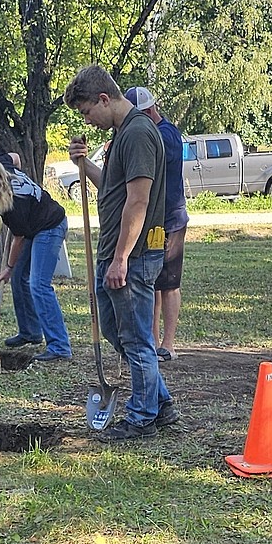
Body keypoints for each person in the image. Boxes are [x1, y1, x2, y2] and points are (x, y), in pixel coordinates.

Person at [64, 65, 174, 437]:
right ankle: (161, 401)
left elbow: (138, 201)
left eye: (86, 112)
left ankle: (142, 418)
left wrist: (122, 258)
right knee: (117, 330)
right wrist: (83, 164)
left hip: (134, 255)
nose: (87, 121)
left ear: (104, 99)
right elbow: (111, 189)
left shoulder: (139, 133)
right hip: (115, 253)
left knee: (136, 338)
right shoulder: (122, 135)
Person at [0, 155, 72, 363]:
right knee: (19, 279)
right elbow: (15, 157)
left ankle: (60, 346)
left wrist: (8, 267)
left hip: (50, 226)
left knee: (38, 284)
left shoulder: (14, 203)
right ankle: (30, 332)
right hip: (33, 226)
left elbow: (18, 238)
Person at [124, 87, 188, 360]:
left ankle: (169, 343)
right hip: (150, 220)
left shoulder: (167, 137)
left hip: (170, 219)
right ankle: (150, 339)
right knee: (151, 282)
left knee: (169, 283)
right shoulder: (146, 133)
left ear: (149, 112)